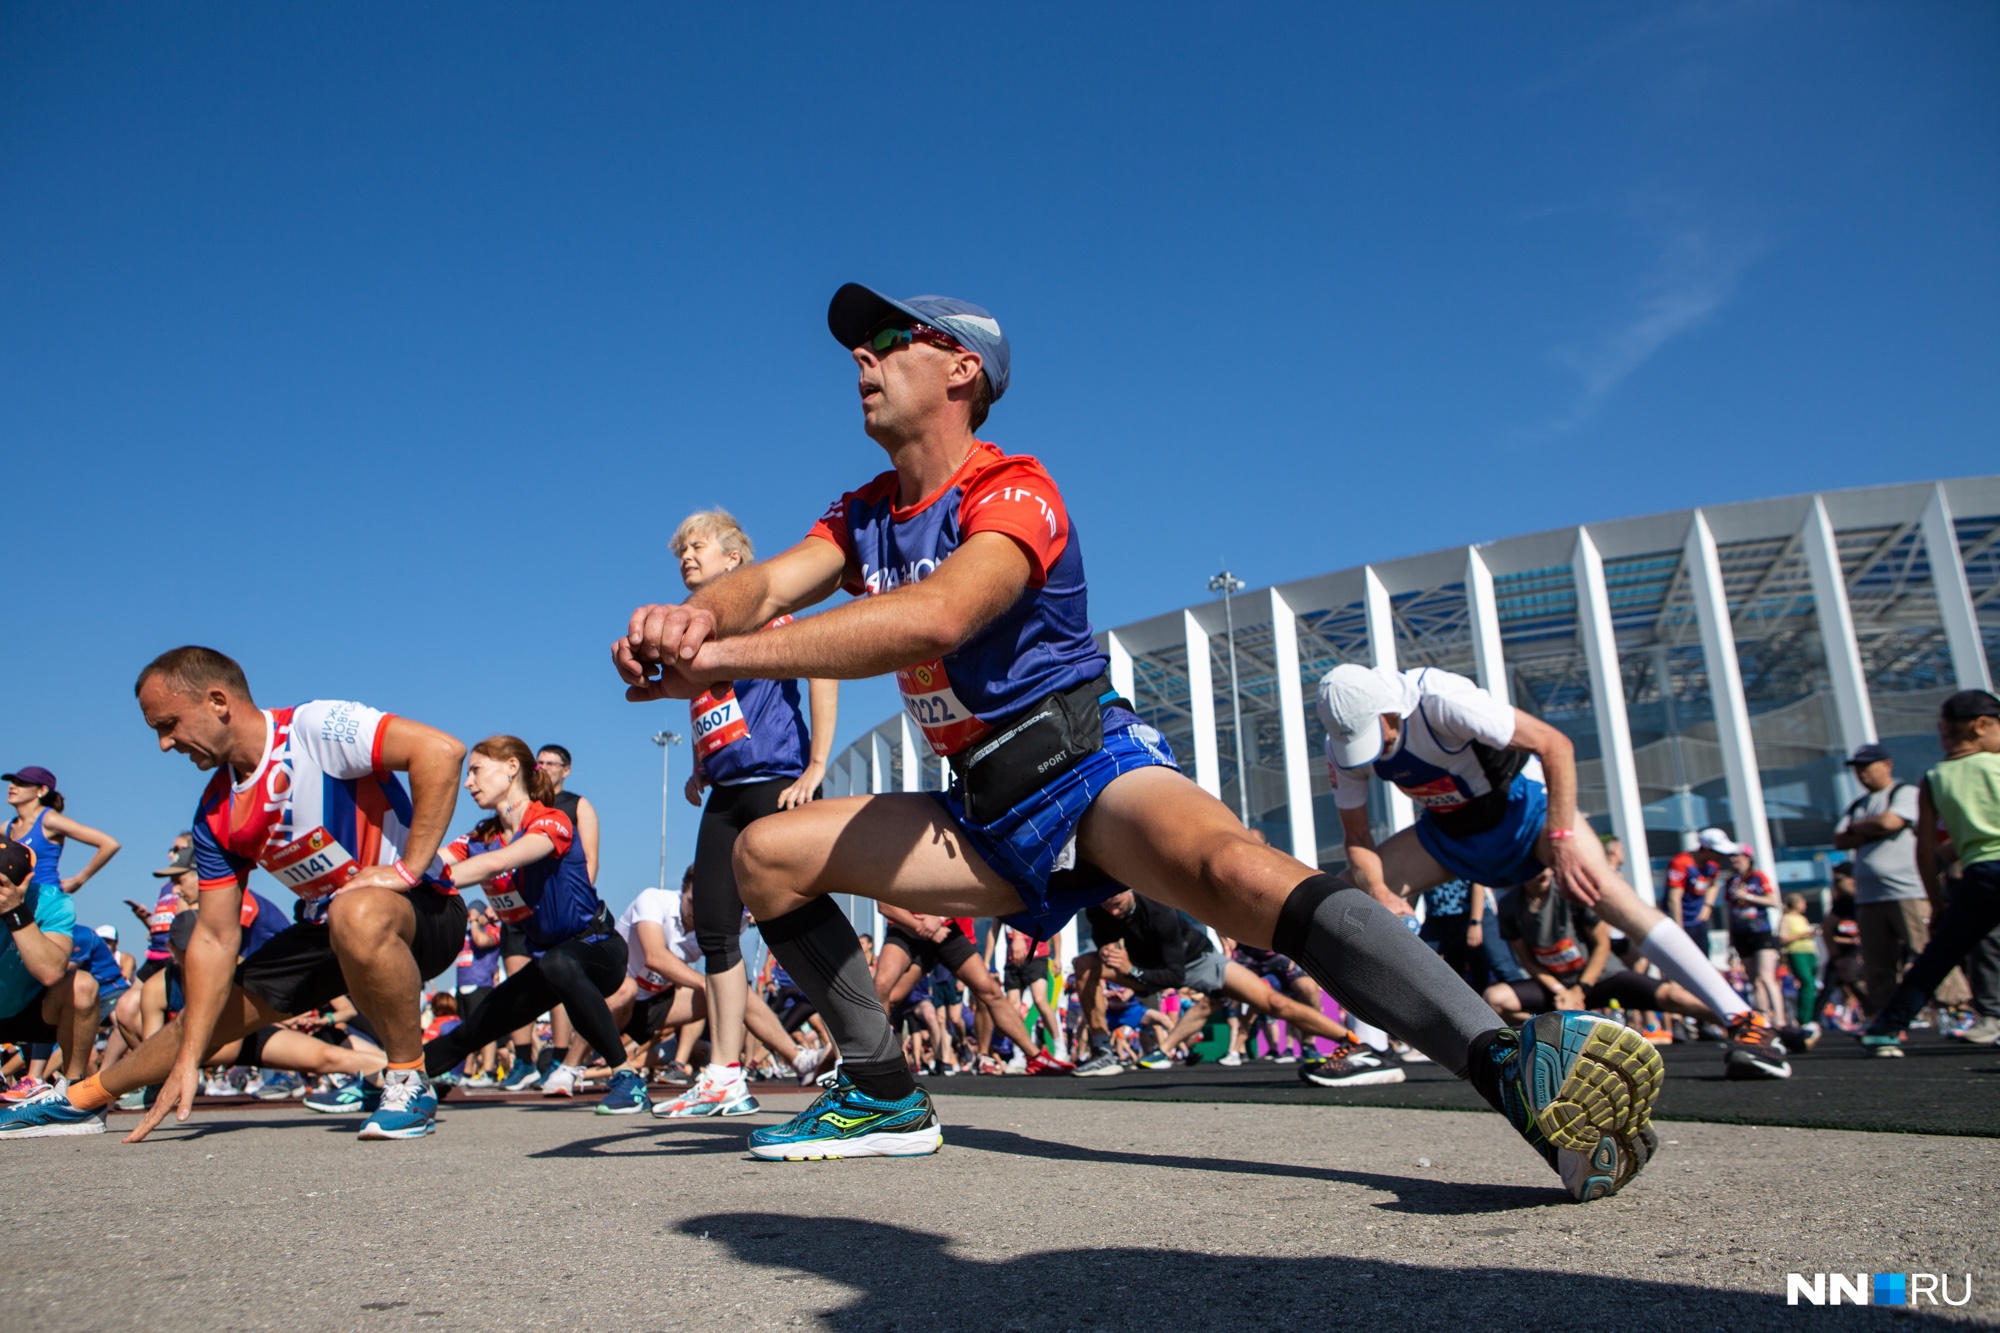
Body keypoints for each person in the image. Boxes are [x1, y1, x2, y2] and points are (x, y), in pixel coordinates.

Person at [610, 282, 1664, 1198]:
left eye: (889, 341)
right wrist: (704, 617)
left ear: (960, 367)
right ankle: (882, 1092)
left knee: (1237, 870)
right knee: (763, 859)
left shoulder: (1013, 487)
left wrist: (727, 658)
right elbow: (770, 581)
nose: (861, 358)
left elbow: (937, 615)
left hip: (1083, 774)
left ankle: (1506, 1065)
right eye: (860, 344)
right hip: (976, 812)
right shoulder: (863, 512)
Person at [0, 646, 470, 1143]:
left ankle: (408, 1078)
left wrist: (407, 868)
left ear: (218, 701)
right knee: (197, 1025)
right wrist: (190, 1057)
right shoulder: (213, 814)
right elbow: (215, 938)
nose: (164, 744)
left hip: (425, 915)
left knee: (354, 909)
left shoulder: (313, 729)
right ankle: (79, 1100)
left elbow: (441, 752)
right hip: (328, 928)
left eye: (168, 724)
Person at [1316, 662, 1789, 1082]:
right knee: (1350, 900)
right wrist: (1379, 890)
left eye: (1377, 738)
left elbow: (1554, 744)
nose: (1373, 755)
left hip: (1524, 814)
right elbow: (1358, 840)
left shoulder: (1439, 699)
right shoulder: (1345, 744)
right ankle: (1371, 1048)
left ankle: (1746, 1022)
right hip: (1449, 832)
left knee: (1611, 895)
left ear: (1389, 711)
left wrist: (1561, 839)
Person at [652, 509, 839, 1120]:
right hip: (725, 794)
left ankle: (863, 1050)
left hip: (776, 786)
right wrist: (703, 764)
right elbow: (712, 701)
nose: (686, 557)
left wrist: (815, 767)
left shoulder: (769, 614)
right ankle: (724, 1073)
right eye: (680, 550)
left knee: (797, 924)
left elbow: (822, 666)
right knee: (714, 930)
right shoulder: (695, 635)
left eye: (697, 546)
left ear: (734, 560)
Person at [421, 737, 627, 1101]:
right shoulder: (480, 837)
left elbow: (500, 862)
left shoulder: (553, 821)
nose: (468, 782)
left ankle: (627, 1076)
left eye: (476, 770)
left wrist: (412, 876)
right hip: (549, 963)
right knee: (472, 1031)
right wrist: (385, 875)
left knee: (562, 963)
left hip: (598, 951)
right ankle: (396, 1078)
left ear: (512, 767)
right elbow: (431, 862)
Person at [1861, 690, 2000, 1055]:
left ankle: (1887, 1028)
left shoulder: (1935, 777)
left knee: (1938, 955)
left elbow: (1925, 850)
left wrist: (1936, 903)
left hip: (1978, 876)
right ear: (1981, 725)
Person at [1481, 869, 1727, 1033]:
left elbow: (1602, 945)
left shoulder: (1570, 893)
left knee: (1675, 997)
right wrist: (1560, 990)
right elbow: (1528, 960)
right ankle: (1564, 1035)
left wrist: (1580, 989)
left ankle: (1743, 1027)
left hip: (1602, 977)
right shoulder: (1510, 906)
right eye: (1532, 866)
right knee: (1495, 999)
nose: (1542, 871)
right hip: (1558, 987)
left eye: (1545, 865)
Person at [870, 908, 1070, 1076]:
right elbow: (885, 906)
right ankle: (872, 1063)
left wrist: (938, 919)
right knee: (884, 989)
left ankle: (1035, 1057)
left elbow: (963, 895)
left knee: (990, 992)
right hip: (906, 929)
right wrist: (921, 926)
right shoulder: (887, 862)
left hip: (945, 929)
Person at [1834, 743, 1946, 1016]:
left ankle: (1954, 1006)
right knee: (1877, 962)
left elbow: (1890, 823)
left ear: (1886, 765)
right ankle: (1884, 1015)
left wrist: (1862, 829)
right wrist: (1872, 827)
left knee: (1927, 951)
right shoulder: (1857, 805)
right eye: (1857, 769)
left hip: (1907, 889)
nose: (1861, 774)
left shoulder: (1904, 793)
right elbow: (1839, 839)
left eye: (1867, 767)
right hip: (1869, 895)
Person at [0, 837, 103, 1127]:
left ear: (26, 879)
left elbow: (51, 972)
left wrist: (15, 912)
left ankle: (74, 1096)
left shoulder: (51, 901)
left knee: (81, 986)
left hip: (31, 1009)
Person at [5, 765, 122, 897]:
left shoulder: (49, 820)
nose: (12, 786)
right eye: (13, 782)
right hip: (18, 902)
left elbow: (110, 844)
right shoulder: (7, 827)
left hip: (47, 900)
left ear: (42, 790)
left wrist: (78, 881)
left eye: (22, 783)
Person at [1713, 839, 1784, 1028]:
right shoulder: (1731, 881)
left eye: (1738, 856)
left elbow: (1773, 900)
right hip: (1741, 933)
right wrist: (1730, 939)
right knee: (1754, 979)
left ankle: (1780, 1018)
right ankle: (1764, 1020)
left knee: (1765, 976)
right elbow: (1729, 910)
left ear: (1748, 858)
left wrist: (1748, 896)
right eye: (1732, 856)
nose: (1734, 859)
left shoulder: (1758, 877)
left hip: (1761, 932)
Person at [127, 836, 196, 981]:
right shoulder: (165, 888)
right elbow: (158, 930)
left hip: (174, 956)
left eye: (176, 849)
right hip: (154, 953)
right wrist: (145, 919)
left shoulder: (192, 890)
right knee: (127, 1003)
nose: (170, 854)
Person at [533, 745, 601, 883]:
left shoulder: (579, 805)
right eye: (540, 763)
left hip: (562, 887)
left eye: (551, 764)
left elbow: (590, 858)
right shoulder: (525, 803)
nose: (544, 768)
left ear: (566, 770)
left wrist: (582, 896)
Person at [1777, 894, 1821, 1035]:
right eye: (1802, 902)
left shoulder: (1803, 918)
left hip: (1810, 952)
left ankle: (1810, 1018)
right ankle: (1804, 1020)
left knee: (1812, 985)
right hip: (1796, 953)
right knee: (1807, 982)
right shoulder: (1786, 918)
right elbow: (1782, 939)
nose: (1805, 905)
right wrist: (1801, 935)